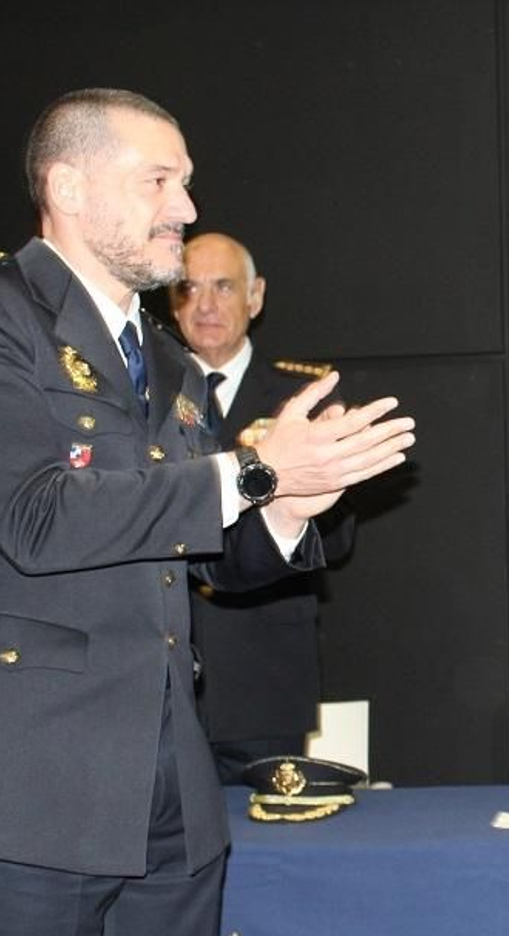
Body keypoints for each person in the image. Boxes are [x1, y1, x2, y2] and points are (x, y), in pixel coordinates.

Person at [0, 87, 416, 936]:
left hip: (171, 777)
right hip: (33, 775)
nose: (186, 208)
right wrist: (252, 473)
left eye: (187, 183)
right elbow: (36, 517)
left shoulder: (163, 360)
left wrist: (290, 507)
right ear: (68, 187)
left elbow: (205, 551)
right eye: (159, 182)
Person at [171, 231, 354, 783]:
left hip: (262, 674)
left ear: (256, 297)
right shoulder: (145, 397)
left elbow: (338, 537)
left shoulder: (303, 399)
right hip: (161, 677)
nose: (205, 305)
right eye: (188, 288)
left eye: (224, 287)